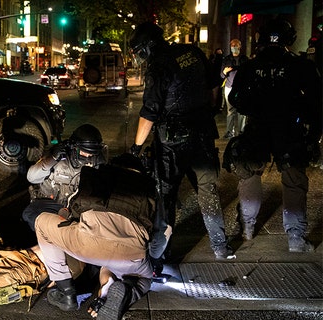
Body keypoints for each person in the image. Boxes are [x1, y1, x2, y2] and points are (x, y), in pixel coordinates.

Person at [128, 22, 233, 277]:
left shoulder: (158, 66)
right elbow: (212, 80)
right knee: (208, 190)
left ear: (147, 47)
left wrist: (136, 148)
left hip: (173, 143)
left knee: (166, 197)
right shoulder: (191, 52)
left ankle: (163, 254)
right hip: (203, 134)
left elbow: (150, 112)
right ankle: (220, 246)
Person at [226, 18, 322, 251]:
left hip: (257, 127)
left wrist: (255, 107)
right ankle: (296, 239)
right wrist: (312, 132)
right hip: (290, 130)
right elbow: (317, 102)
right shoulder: (301, 66)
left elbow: (235, 99)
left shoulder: (250, 67)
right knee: (294, 181)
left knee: (250, 174)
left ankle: (247, 228)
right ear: (289, 39)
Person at [35, 154, 155, 320]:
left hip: (88, 248)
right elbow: (162, 231)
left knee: (41, 222)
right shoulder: (148, 189)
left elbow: (68, 214)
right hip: (130, 255)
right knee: (145, 278)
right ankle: (118, 293)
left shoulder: (96, 177)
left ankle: (66, 291)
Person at [22, 124, 107, 231]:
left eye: (91, 153)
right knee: (29, 213)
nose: (87, 156)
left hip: (78, 207)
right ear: (74, 147)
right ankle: (55, 235)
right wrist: (51, 159)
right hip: (51, 203)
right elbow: (32, 177)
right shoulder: (57, 154)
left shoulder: (98, 161)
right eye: (84, 152)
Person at [221, 39, 249, 139]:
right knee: (230, 110)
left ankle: (241, 131)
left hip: (241, 88)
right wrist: (224, 72)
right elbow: (221, 75)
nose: (234, 47)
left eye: (236, 45)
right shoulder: (227, 59)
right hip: (229, 86)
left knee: (242, 111)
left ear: (240, 46)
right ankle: (229, 131)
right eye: (232, 45)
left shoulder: (244, 59)